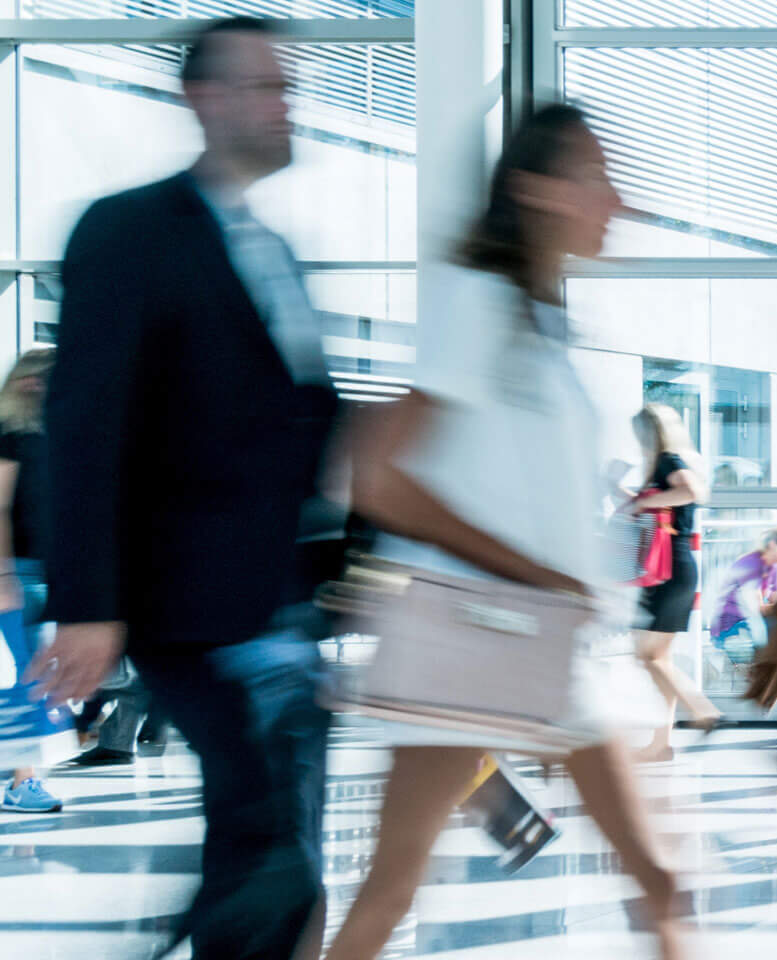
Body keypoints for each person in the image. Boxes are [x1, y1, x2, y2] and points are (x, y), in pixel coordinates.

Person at [323, 101, 692, 960]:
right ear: (534, 188)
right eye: (598, 178)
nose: (618, 201)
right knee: (390, 891)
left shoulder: (540, 321)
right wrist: (537, 574)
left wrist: (556, 583)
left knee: (661, 881)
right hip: (479, 643)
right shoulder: (480, 304)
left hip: (542, 648)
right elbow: (381, 477)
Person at [22, 20, 348, 960]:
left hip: (281, 607)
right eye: (262, 87)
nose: (284, 104)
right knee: (267, 842)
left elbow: (304, 432)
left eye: (288, 86)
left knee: (279, 849)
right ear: (201, 99)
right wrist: (89, 606)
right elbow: (84, 425)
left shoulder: (275, 251)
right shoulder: (128, 231)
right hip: (187, 608)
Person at [623, 405, 719, 762]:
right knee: (657, 657)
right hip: (674, 568)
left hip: (666, 570)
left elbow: (690, 492)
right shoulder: (674, 461)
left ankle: (702, 708)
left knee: (647, 656)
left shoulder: (667, 460)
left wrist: (637, 505)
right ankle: (660, 743)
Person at [0, 348, 56, 813]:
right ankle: (22, 782)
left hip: (45, 573)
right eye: (31, 376)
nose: (38, 385)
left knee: (36, 679)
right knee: (27, 680)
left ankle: (22, 777)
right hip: (16, 572)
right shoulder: (8, 435)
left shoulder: (52, 437)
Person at [713, 529, 777, 664]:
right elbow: (757, 608)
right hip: (732, 626)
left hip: (751, 621)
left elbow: (776, 598)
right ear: (772, 544)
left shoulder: (773, 566)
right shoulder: (751, 565)